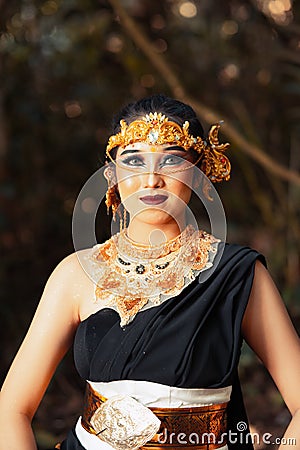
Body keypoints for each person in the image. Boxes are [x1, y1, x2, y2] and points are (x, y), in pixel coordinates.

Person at [0, 94, 300, 450]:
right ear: (111, 174)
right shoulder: (74, 274)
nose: (151, 179)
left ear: (200, 172)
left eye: (171, 160)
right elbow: (11, 408)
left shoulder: (236, 275)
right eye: (134, 160)